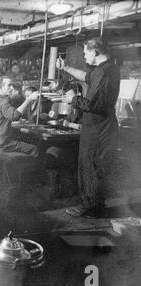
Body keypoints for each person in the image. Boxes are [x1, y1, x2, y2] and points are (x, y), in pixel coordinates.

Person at [57, 37, 120, 218]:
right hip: (95, 127)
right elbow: (85, 76)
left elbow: (95, 105)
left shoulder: (106, 72)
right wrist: (65, 68)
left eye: (86, 53)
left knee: (92, 167)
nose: (84, 56)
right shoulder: (102, 69)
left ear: (96, 52)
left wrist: (73, 99)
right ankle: (91, 205)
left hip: (100, 128)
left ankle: (92, 207)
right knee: (89, 165)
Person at [0, 75, 39, 156]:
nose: (12, 88)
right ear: (1, 87)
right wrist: (29, 99)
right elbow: (15, 116)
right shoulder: (3, 102)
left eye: (12, 85)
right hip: (3, 144)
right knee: (34, 149)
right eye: (9, 85)